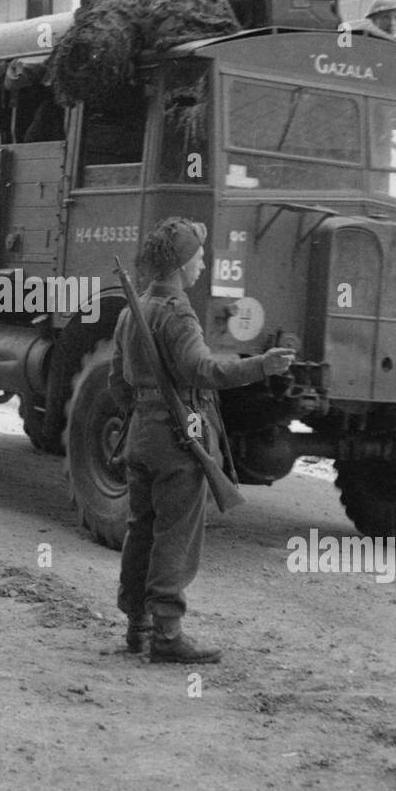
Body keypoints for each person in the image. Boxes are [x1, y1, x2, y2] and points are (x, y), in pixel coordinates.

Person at [108, 218, 295, 663]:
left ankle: (138, 628)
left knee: (142, 531)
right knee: (176, 536)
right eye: (199, 257)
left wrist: (145, 410)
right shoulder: (176, 312)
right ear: (181, 264)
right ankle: (168, 636)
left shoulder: (129, 311)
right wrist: (261, 366)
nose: (204, 264)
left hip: (139, 435)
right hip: (177, 439)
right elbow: (204, 371)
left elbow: (118, 383)